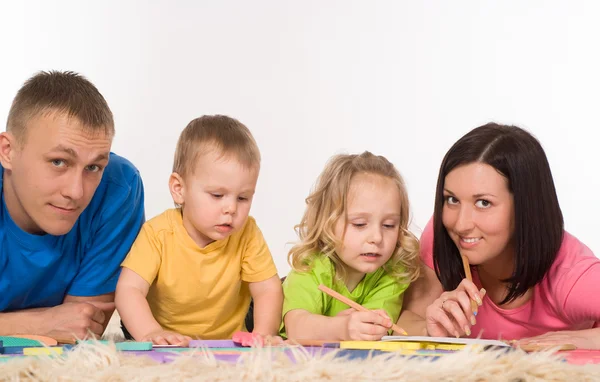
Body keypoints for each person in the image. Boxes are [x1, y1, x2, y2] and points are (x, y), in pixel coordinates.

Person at [398, 122, 600, 349]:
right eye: (452, 200)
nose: (461, 224)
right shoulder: (441, 234)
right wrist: (429, 329)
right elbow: (407, 318)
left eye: (483, 203)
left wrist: (582, 339)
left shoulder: (571, 275)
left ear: (525, 207)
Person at [0, 70, 145, 340]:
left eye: (93, 167)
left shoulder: (118, 187)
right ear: (8, 151)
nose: (76, 192)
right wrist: (37, 325)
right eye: (58, 162)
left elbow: (81, 326)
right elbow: (60, 326)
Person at [115, 115, 283, 345]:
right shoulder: (159, 233)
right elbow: (129, 290)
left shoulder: (247, 233)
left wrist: (263, 333)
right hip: (164, 338)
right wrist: (150, 332)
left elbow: (267, 290)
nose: (231, 208)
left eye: (243, 197)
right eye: (217, 195)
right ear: (179, 189)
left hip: (227, 341)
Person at [281, 151, 420, 341]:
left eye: (389, 225)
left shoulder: (392, 273)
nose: (377, 238)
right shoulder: (310, 266)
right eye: (360, 224)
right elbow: (296, 328)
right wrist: (341, 328)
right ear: (327, 222)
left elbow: (373, 332)